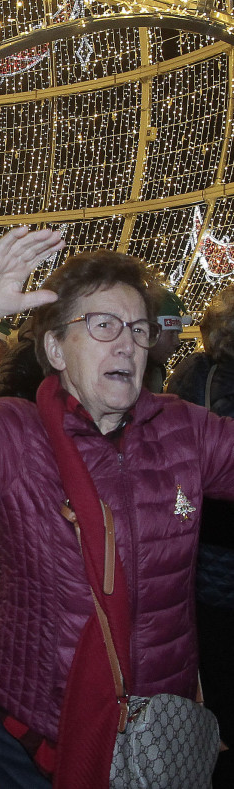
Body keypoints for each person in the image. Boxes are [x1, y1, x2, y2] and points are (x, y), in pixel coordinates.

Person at [0, 227, 234, 788]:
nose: (126, 345)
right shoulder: (16, 438)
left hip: (157, 728)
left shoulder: (183, 429)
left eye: (137, 329)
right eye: (103, 325)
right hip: (34, 731)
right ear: (57, 349)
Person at [166, 284, 234, 787]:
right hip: (214, 542)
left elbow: (168, 451)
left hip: (210, 540)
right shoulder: (196, 374)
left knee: (216, 651)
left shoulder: (193, 372)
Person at [143, 285, 191, 392]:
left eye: (177, 334)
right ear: (150, 331)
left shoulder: (157, 373)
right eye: (171, 333)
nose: (177, 342)